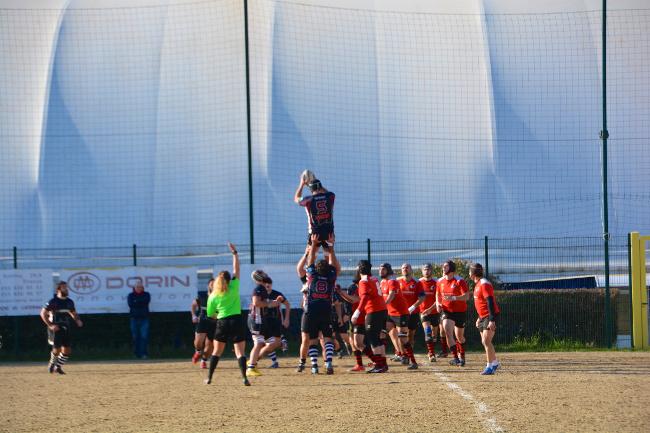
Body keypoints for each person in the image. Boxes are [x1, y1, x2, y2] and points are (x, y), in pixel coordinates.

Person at [204, 242, 250, 386]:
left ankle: (210, 378)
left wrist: (218, 316)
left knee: (216, 352)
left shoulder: (213, 295)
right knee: (240, 353)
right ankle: (244, 378)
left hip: (222, 322)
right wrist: (235, 253)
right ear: (230, 280)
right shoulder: (234, 286)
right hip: (236, 320)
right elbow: (237, 268)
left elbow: (210, 314)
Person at [302, 234, 340, 374]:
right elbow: (333, 264)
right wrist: (330, 247)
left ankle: (314, 366)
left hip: (312, 310)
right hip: (326, 309)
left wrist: (313, 244)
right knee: (328, 338)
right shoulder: (331, 277)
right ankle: (328, 363)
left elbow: (310, 261)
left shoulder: (312, 276)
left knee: (313, 339)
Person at [352, 260, 389, 373]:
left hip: (374, 311)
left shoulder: (363, 282)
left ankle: (379, 365)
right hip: (383, 310)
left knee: (373, 338)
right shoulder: (374, 279)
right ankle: (383, 364)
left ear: (359, 269)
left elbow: (364, 298)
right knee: (378, 338)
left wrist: (357, 312)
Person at [379, 263, 417, 369]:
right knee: (384, 333)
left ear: (388, 271)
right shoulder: (382, 282)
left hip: (401, 313)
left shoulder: (393, 281)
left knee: (403, 337)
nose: (380, 271)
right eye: (380, 269)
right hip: (390, 313)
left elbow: (391, 295)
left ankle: (412, 361)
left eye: (383, 269)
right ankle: (384, 360)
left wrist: (383, 305)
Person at [40, 281, 83, 374]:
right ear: (58, 289)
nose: (66, 289)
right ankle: (52, 363)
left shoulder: (69, 301)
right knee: (57, 349)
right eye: (64, 287)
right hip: (55, 328)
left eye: (67, 287)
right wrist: (51, 325)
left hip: (66, 327)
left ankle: (57, 367)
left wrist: (77, 320)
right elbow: (42, 313)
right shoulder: (53, 301)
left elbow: (73, 313)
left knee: (67, 350)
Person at [246, 270, 284, 376]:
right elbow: (256, 303)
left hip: (261, 320)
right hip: (256, 319)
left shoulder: (262, 288)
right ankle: (251, 367)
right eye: (263, 274)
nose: (266, 275)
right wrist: (270, 303)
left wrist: (275, 302)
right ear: (260, 277)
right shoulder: (258, 288)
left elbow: (266, 303)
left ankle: (252, 362)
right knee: (258, 343)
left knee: (274, 341)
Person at [436, 260, 470, 367]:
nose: (443, 268)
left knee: (459, 337)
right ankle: (455, 358)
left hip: (460, 311)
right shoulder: (440, 281)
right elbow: (438, 294)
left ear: (451, 268)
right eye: (443, 266)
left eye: (445, 266)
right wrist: (438, 304)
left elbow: (466, 296)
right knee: (447, 329)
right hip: (447, 311)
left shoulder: (460, 281)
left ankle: (462, 355)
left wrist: (454, 298)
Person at [470, 263, 501, 375]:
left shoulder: (484, 284)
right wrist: (479, 317)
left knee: (486, 341)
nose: (469, 273)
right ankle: (495, 363)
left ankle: (489, 366)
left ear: (473, 273)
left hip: (490, 316)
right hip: (483, 317)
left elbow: (490, 302)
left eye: (470, 271)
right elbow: (481, 303)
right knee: (486, 342)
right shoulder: (478, 284)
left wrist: (492, 320)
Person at [294, 175, 335, 255]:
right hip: (328, 231)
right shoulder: (330, 196)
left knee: (311, 256)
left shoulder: (308, 199)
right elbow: (328, 193)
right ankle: (329, 267)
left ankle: (311, 267)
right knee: (328, 255)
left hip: (315, 231)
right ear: (320, 187)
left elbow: (296, 199)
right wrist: (319, 185)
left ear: (311, 189)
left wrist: (301, 184)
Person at [398, 263, 425, 363]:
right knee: (401, 334)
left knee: (410, 335)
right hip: (400, 313)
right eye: (403, 268)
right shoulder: (397, 281)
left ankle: (409, 354)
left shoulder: (417, 282)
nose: (405, 269)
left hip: (413, 313)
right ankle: (403, 355)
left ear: (411, 270)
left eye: (407, 267)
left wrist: (412, 307)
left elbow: (422, 297)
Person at [191, 279, 216, 369]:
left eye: (215, 284)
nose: (213, 286)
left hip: (214, 323)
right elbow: (194, 305)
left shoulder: (220, 297)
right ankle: (198, 352)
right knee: (198, 343)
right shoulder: (202, 296)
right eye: (211, 284)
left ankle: (204, 360)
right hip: (203, 321)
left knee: (210, 346)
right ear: (208, 286)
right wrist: (194, 315)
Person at [419, 263, 439, 362]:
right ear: (422, 271)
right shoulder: (419, 282)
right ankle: (431, 354)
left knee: (434, 335)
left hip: (435, 311)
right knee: (428, 331)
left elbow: (439, 299)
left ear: (431, 270)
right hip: (423, 312)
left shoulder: (437, 282)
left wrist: (431, 308)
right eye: (425, 269)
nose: (427, 271)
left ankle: (431, 350)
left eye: (428, 269)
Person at [127, 280, 151, 359]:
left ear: (142, 287)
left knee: (144, 337)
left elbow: (146, 302)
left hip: (144, 319)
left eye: (140, 287)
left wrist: (136, 302)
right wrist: (139, 302)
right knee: (135, 337)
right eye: (137, 287)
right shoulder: (130, 295)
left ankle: (144, 354)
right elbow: (131, 304)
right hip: (134, 319)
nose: (139, 288)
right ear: (134, 287)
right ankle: (136, 354)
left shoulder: (146, 294)